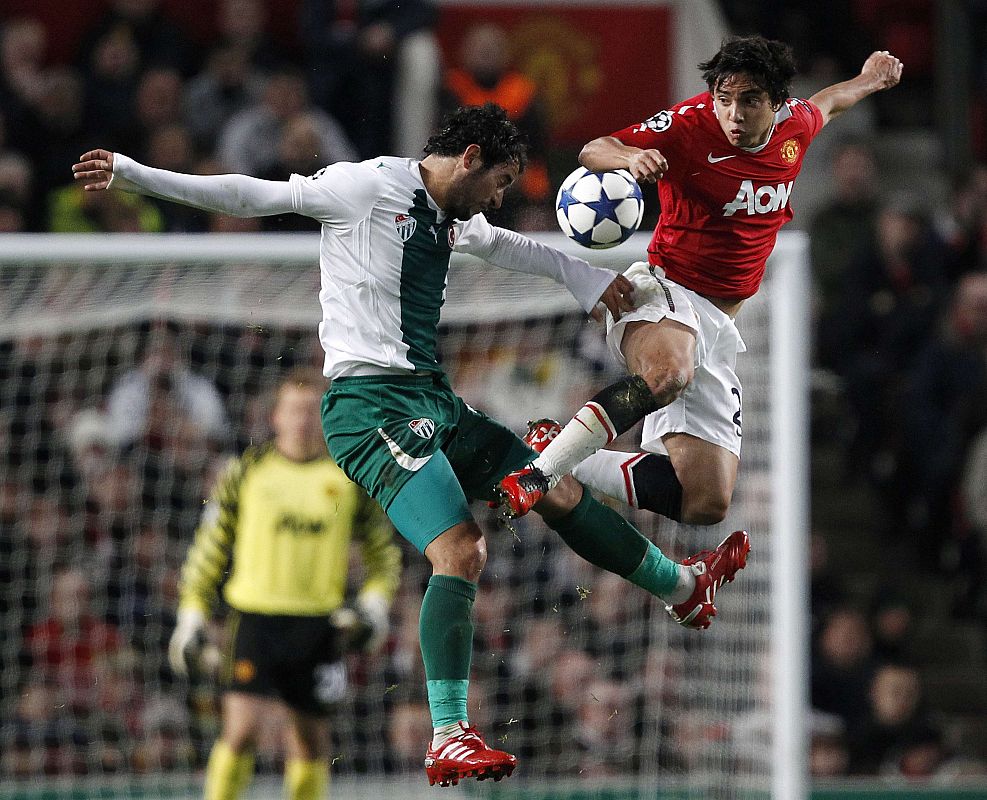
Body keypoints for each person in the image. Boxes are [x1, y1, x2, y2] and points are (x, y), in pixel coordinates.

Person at [73, 103, 751, 787]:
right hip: (367, 407)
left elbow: (512, 247)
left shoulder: (452, 214)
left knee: (557, 481)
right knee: (461, 549)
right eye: (500, 181)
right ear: (470, 158)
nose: (498, 198)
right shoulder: (364, 188)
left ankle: (683, 586)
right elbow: (253, 195)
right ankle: (448, 733)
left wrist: (583, 278)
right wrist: (136, 176)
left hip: (430, 400)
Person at [496, 36, 903, 525]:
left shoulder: (795, 126)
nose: (733, 114)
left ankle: (559, 448)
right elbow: (593, 149)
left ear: (776, 103)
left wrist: (870, 79)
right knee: (668, 373)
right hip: (663, 290)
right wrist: (630, 158)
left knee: (705, 502)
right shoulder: (688, 125)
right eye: (724, 99)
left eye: (749, 101)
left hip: (718, 323)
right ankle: (538, 474)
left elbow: (828, 102)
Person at [166, 367, 402, 800]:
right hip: (255, 619)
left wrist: (374, 604)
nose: (302, 421)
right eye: (293, 410)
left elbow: (381, 553)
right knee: (241, 731)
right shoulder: (247, 471)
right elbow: (210, 546)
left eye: (312, 411)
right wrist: (191, 612)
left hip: (318, 623)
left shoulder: (348, 476)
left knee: (310, 741)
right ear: (275, 416)